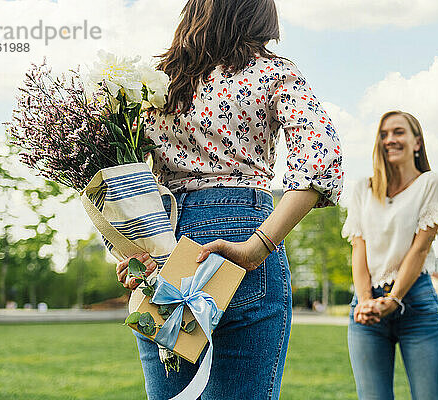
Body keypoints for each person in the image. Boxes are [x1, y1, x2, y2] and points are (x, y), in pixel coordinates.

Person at [115, 0, 343, 398]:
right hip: (242, 238)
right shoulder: (273, 71)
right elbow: (321, 156)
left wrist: (128, 250)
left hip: (162, 246)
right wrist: (259, 246)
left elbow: (116, 176)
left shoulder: (155, 83)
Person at [341, 111, 438, 400]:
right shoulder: (362, 189)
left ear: (417, 142)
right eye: (384, 134)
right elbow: (359, 248)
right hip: (367, 305)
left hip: (416, 303)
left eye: (398, 132)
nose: (390, 139)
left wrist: (393, 300)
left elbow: (420, 248)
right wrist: (365, 302)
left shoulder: (431, 183)